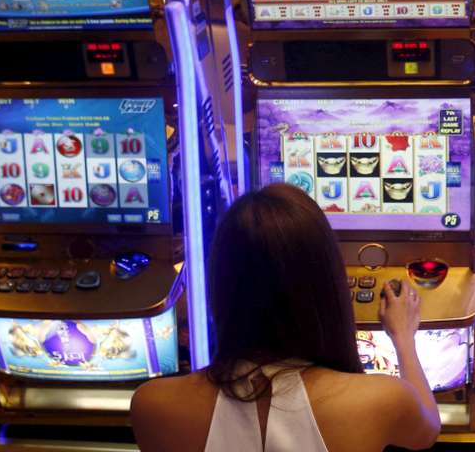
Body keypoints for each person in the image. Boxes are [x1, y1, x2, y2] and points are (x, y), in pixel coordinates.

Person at [131, 184, 441, 452]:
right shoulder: (382, 400)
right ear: (325, 284)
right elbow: (427, 429)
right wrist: (403, 337)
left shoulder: (152, 405)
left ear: (221, 284)